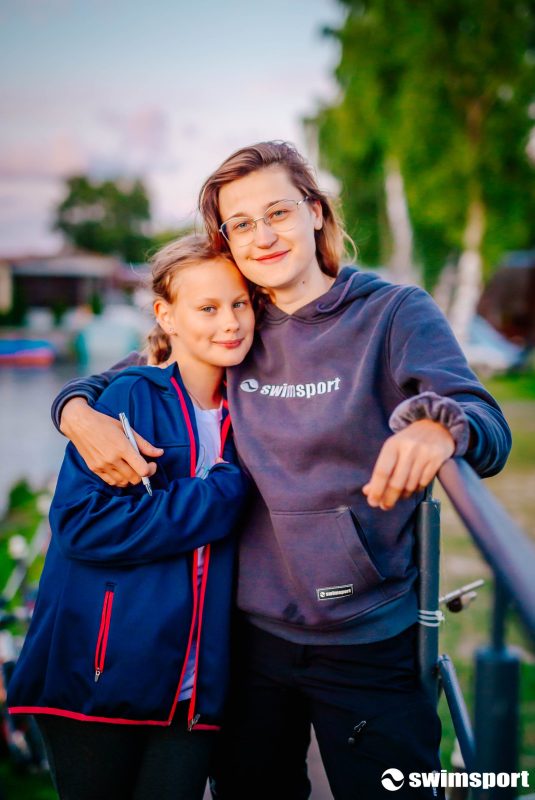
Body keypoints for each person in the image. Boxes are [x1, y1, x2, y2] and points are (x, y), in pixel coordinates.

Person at [47, 142, 511, 800]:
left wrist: (438, 427)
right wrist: (73, 411)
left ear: (315, 212)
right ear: (227, 240)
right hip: (246, 639)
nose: (262, 236)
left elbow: (487, 425)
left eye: (278, 213)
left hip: (367, 635)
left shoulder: (393, 313)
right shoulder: (237, 321)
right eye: (241, 224)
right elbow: (128, 376)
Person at [7, 234, 254, 800]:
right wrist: (219, 496)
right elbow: (83, 523)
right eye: (208, 308)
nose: (230, 322)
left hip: (196, 691)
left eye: (239, 303)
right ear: (166, 315)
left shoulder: (253, 410)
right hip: (99, 679)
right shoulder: (130, 397)